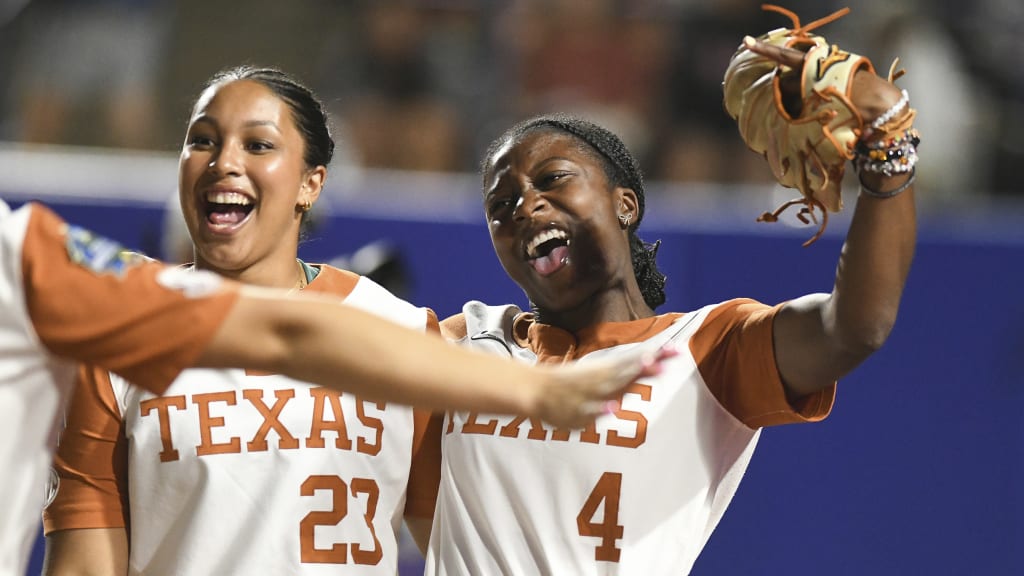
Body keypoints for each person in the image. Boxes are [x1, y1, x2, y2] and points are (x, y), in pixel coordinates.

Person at [34, 67, 670, 576]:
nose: (224, 161)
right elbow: (86, 558)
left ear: (312, 183)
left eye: (258, 144)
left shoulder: (399, 331)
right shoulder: (115, 341)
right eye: (202, 139)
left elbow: (458, 541)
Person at [423, 37, 917, 574]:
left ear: (625, 204)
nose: (525, 205)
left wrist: (888, 147)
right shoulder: (464, 342)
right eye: (501, 205)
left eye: (552, 179)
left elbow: (854, 328)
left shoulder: (707, 348)